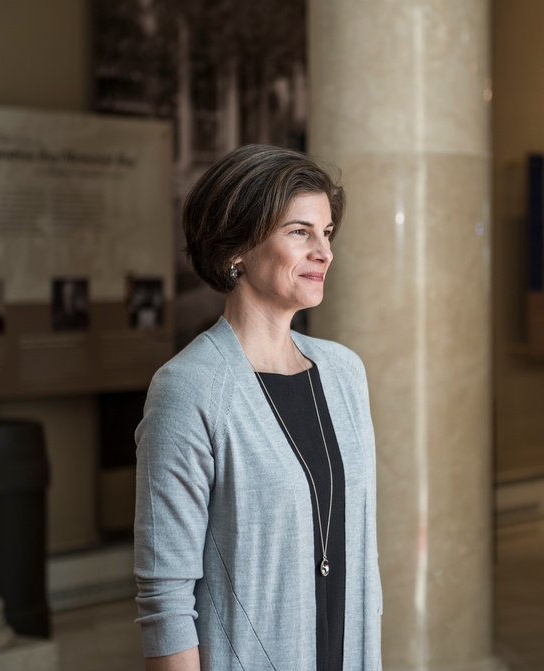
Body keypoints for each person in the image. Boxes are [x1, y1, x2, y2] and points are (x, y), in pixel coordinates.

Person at [134, 145, 382, 670]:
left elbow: (360, 552)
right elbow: (166, 598)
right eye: (300, 232)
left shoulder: (344, 373)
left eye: (327, 232)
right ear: (237, 248)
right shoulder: (188, 389)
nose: (324, 251)